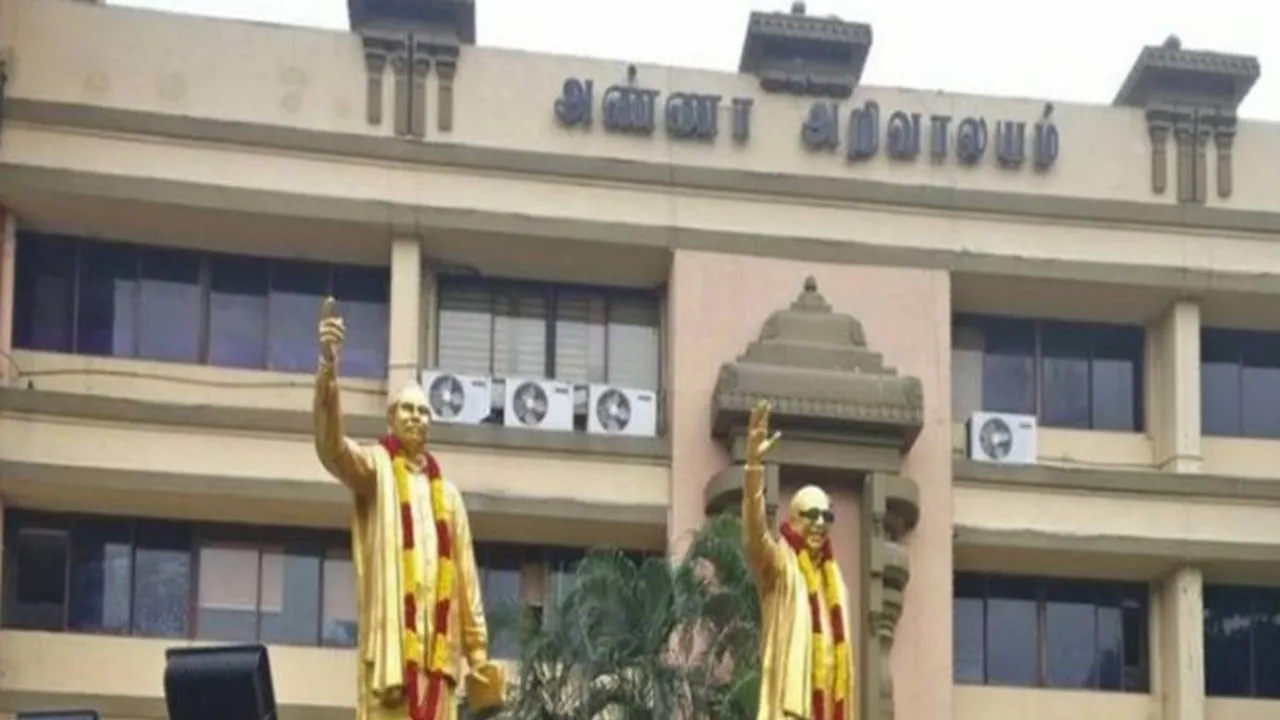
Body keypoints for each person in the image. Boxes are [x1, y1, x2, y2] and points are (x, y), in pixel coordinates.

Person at [314, 297, 503, 720]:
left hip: (441, 662)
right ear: (391, 418)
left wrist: (477, 655)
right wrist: (328, 368)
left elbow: (467, 583)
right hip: (391, 658)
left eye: (424, 411)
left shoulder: (449, 498)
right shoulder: (375, 470)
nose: (417, 418)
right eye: (408, 410)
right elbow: (332, 450)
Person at [742, 400, 856, 720]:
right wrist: (753, 467)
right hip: (791, 710)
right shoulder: (779, 566)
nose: (820, 523)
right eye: (812, 515)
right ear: (792, 521)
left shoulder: (837, 584)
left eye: (827, 516)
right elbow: (754, 536)